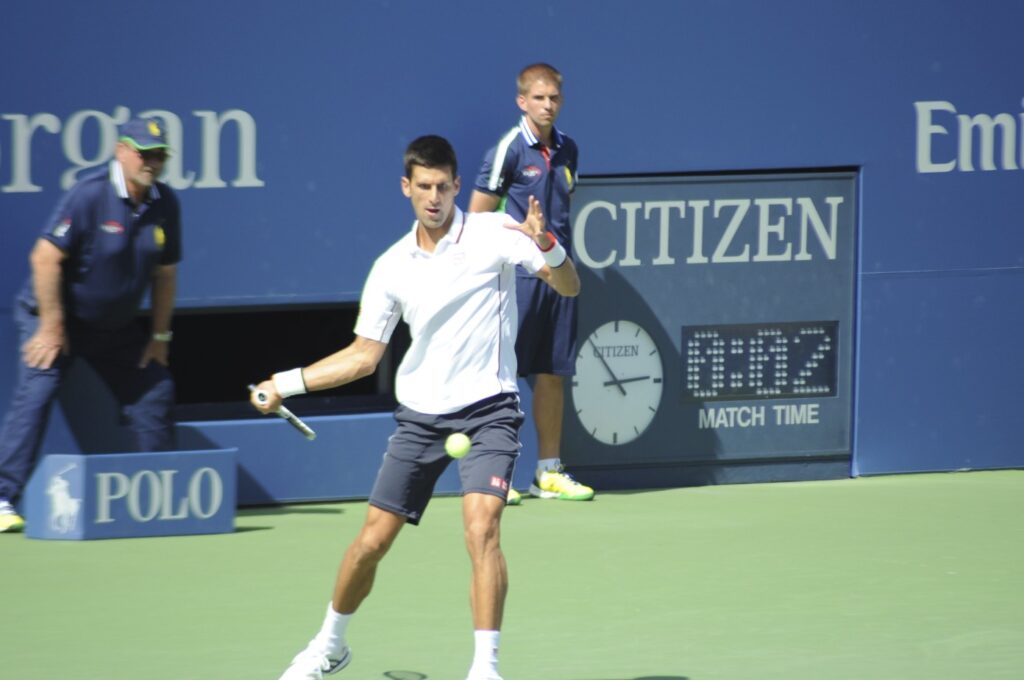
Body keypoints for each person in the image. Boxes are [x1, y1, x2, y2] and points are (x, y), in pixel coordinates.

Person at [251, 135, 579, 680]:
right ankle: (329, 645)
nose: (434, 197)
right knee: (370, 543)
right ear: (407, 188)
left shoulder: (497, 232)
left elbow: (568, 286)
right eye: (423, 186)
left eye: (443, 187)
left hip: (490, 409)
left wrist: (548, 246)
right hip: (421, 417)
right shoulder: (390, 267)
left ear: (455, 187)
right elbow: (362, 357)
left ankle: (484, 668)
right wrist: (284, 384)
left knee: (483, 527)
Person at [0, 118, 181, 533]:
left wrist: (159, 336)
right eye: (143, 152)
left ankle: (157, 497)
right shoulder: (89, 194)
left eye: (159, 155)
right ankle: (3, 495)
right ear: (121, 150)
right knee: (39, 387)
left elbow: (166, 274)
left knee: (154, 389)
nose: (151, 162)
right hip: (55, 320)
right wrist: (51, 326)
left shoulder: (166, 203)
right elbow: (44, 258)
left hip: (114, 330)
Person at [469, 63, 593, 504]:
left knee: (553, 372)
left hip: (558, 275)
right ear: (522, 101)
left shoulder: (569, 149)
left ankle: (548, 473)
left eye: (554, 98)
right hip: (517, 277)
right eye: (538, 98)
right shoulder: (507, 150)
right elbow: (478, 216)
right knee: (499, 375)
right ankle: (491, 474)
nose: (547, 105)